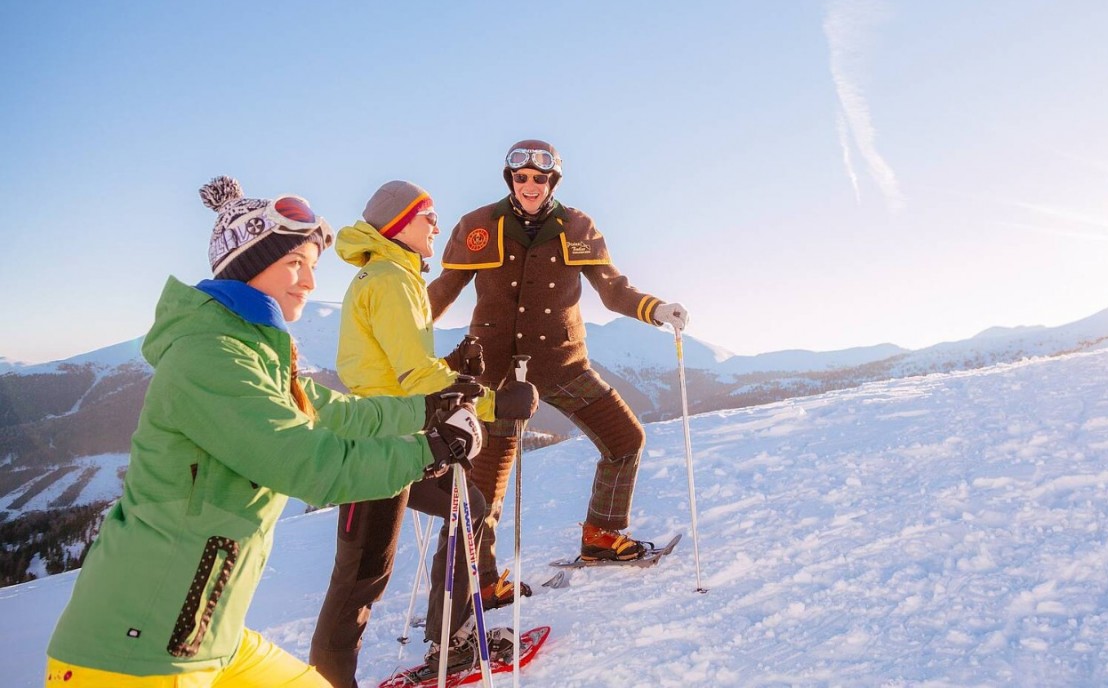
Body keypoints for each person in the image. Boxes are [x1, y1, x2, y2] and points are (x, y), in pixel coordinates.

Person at [45, 177, 482, 688]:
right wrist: (430, 448)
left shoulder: (253, 353)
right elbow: (310, 463)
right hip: (131, 655)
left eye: (312, 266)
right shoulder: (209, 357)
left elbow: (338, 413)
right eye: (294, 263)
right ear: (249, 267)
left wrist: (427, 409)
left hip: (209, 639)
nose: (309, 282)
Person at [428, 139, 689, 595]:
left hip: (562, 363)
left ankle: (602, 536)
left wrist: (654, 309)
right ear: (510, 179)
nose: (530, 185)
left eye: (540, 177)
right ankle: (482, 583)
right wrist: (399, 330)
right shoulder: (479, 225)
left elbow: (612, 289)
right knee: (486, 485)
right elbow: (444, 289)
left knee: (625, 438)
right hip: (496, 376)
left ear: (553, 181)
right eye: (521, 177)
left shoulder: (577, 226)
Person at [309, 181, 539, 687]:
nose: (437, 223)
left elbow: (402, 368)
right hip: (376, 446)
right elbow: (415, 376)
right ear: (398, 223)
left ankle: (451, 637)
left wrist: (457, 368)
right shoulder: (392, 278)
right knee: (360, 578)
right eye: (427, 213)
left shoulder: (393, 276)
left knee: (468, 508)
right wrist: (496, 402)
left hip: (400, 439)